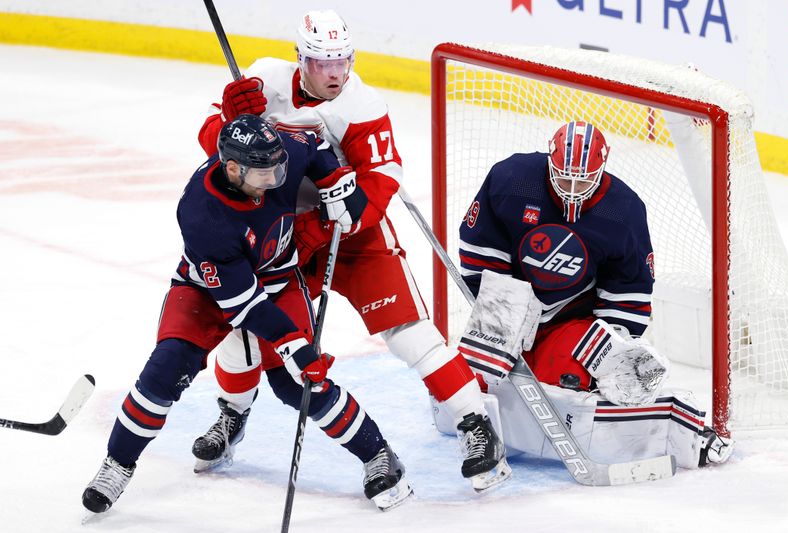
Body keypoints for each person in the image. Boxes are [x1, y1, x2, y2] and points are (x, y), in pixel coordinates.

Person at [193, 9, 509, 492]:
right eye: (323, 62)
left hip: (353, 238)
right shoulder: (263, 79)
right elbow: (213, 147)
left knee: (408, 332)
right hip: (282, 239)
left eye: (342, 60)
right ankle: (232, 416)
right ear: (301, 59)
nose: (336, 72)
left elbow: (382, 179)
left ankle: (476, 425)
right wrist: (228, 122)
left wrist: (351, 211)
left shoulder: (362, 104)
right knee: (246, 331)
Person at [81, 115, 412, 514]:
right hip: (208, 290)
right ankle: (117, 464)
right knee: (165, 371)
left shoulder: (278, 153)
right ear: (233, 168)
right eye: (265, 173)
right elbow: (247, 307)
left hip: (279, 279)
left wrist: (335, 182)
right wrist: (297, 346)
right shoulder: (202, 215)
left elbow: (314, 143)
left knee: (298, 384)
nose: (276, 179)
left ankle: (379, 454)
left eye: (279, 169)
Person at [432, 120, 734, 471]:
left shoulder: (623, 210)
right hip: (508, 304)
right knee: (471, 378)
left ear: (602, 169)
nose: (572, 190)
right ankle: (480, 417)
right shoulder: (512, 179)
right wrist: (506, 303)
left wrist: (614, 344)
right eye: (564, 178)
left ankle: (678, 425)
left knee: (575, 381)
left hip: (571, 319)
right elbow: (478, 248)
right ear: (550, 161)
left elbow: (629, 290)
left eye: (583, 181)